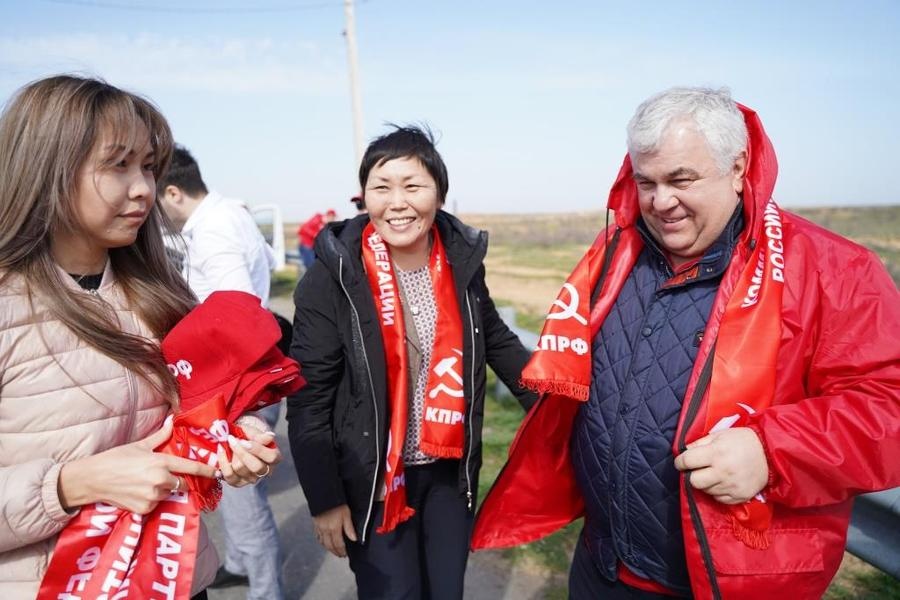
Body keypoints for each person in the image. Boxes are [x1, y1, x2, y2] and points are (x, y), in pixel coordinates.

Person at [471, 87, 900, 599]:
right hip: (601, 564)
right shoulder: (614, 254)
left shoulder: (834, 270)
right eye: (646, 182)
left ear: (737, 168)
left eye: (681, 180)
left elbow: (888, 408)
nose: (660, 201)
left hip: (728, 582)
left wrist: (772, 451)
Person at [0, 75, 279, 598]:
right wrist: (69, 485)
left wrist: (238, 437)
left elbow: (205, 407)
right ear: (46, 169)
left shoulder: (163, 296)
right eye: (118, 165)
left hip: (175, 578)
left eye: (148, 166)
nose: (144, 188)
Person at [287, 125, 538, 599]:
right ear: (363, 197)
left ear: (439, 195)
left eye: (413, 186)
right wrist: (325, 499)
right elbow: (309, 398)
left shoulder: (460, 263)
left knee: (446, 591)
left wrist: (553, 413)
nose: (397, 203)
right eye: (381, 187)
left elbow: (498, 342)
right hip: (375, 478)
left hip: (448, 471)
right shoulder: (333, 277)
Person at [157, 146, 285, 600]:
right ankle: (238, 564)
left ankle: (267, 591)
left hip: (235, 385)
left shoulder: (212, 231)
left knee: (244, 497)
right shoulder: (231, 213)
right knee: (231, 491)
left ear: (173, 193)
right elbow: (267, 264)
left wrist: (234, 403)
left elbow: (236, 314)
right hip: (241, 378)